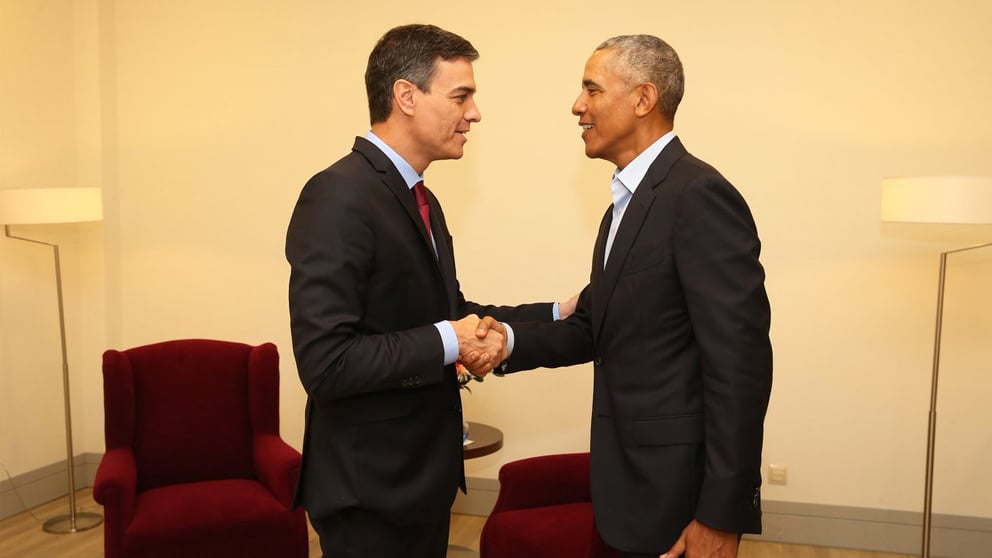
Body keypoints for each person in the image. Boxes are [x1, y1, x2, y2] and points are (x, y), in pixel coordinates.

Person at [478, 35, 773, 557]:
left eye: (591, 89)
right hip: (625, 491)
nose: (577, 105)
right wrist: (508, 343)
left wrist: (720, 515)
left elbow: (740, 367)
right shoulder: (625, 204)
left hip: (676, 497)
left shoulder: (698, 196)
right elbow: (598, 326)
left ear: (643, 99)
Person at [285, 24, 567, 558]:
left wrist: (556, 313)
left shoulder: (421, 199)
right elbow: (326, 362)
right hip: (369, 496)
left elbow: (452, 316)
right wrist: (450, 341)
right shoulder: (338, 196)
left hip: (419, 486)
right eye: (461, 96)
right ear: (406, 96)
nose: (475, 113)